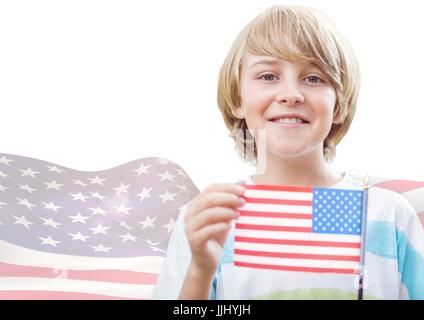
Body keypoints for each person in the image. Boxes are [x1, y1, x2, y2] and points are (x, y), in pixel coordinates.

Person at [152, 5, 424, 299]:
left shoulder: (386, 214)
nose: (291, 94)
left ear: (339, 104)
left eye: (313, 78)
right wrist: (200, 271)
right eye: (268, 76)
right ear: (237, 98)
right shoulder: (208, 218)